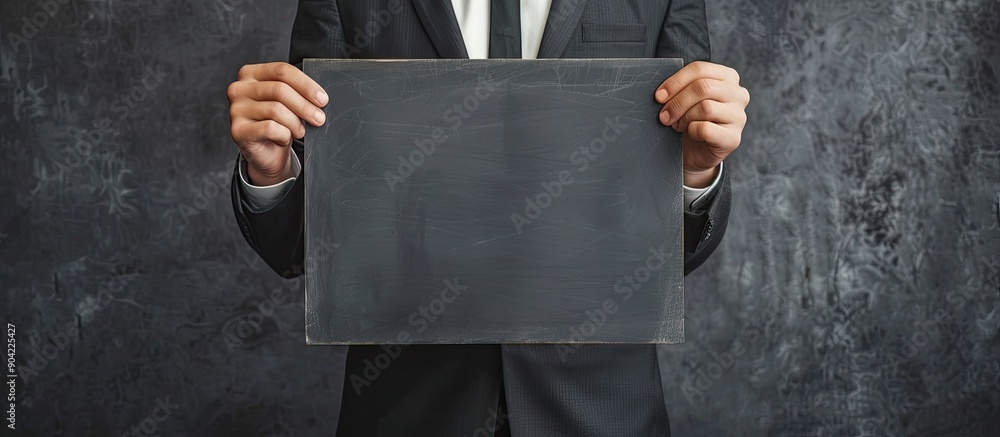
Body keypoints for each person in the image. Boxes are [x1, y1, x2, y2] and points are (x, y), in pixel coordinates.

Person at [228, 1, 749, 435]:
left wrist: (696, 175)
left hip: (601, 412)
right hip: (409, 412)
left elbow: (669, 258)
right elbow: (306, 250)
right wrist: (271, 170)